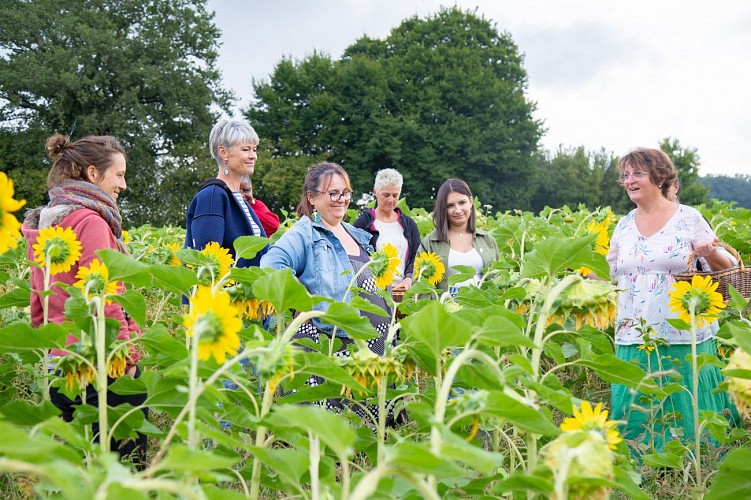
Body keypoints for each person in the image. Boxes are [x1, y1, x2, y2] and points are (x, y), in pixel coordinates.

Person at [21, 133, 147, 467]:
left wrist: (52, 349)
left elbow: (39, 304)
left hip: (62, 365)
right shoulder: (90, 221)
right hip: (100, 362)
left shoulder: (48, 222)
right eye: (118, 175)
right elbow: (103, 294)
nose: (123, 184)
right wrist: (128, 358)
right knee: (124, 469)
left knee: (80, 470)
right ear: (93, 174)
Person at [607, 148, 738, 451]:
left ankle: (692, 466)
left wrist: (711, 252)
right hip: (633, 331)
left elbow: (728, 270)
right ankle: (640, 467)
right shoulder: (624, 224)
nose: (629, 181)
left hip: (682, 330)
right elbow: (612, 273)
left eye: (637, 173)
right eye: (625, 176)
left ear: (660, 176)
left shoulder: (688, 219)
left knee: (685, 404)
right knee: (635, 406)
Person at [260, 162, 395, 419]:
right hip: (330, 342)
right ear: (312, 198)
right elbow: (271, 264)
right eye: (332, 193)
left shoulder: (357, 234)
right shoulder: (305, 233)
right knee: (327, 426)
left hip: (368, 346)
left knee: (364, 430)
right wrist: (299, 296)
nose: (341, 199)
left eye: (345, 192)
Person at [185, 118, 268, 267]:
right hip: (225, 289)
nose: (253, 156)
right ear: (223, 152)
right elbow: (207, 262)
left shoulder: (238, 198)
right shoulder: (212, 197)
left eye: (254, 149)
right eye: (245, 149)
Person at [420, 178, 499, 293]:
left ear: (471, 202)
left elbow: (497, 278)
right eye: (450, 206)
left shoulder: (487, 240)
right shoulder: (430, 243)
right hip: (445, 307)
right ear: (443, 209)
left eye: (462, 203)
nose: (458, 210)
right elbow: (420, 285)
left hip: (483, 307)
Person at [353, 168, 420, 291]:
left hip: (403, 291)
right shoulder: (362, 224)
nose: (391, 200)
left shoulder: (409, 225)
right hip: (374, 291)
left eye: (395, 195)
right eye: (386, 195)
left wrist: (409, 277)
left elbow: (416, 256)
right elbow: (355, 259)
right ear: (375, 192)